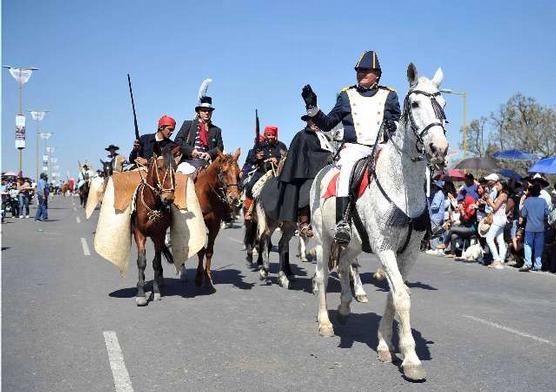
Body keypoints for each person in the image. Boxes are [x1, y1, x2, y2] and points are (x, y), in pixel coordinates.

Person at [301, 50, 401, 244]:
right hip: (355, 148)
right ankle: (342, 223)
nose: (361, 73)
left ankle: (419, 224)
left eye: (366, 70)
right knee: (345, 171)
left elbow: (397, 121)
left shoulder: (390, 95)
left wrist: (393, 125)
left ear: (377, 74)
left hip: (381, 148)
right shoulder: (346, 95)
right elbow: (328, 123)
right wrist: (313, 108)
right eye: (359, 70)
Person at [262, 115, 333, 236]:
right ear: (308, 121)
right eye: (313, 120)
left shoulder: (324, 137)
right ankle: (304, 222)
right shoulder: (302, 136)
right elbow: (298, 157)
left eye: (318, 120)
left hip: (325, 170)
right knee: (307, 189)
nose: (316, 123)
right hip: (305, 173)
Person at [174, 80, 223, 170]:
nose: (207, 113)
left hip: (206, 164)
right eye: (204, 110)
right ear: (199, 112)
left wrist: (209, 154)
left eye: (209, 111)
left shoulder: (216, 130)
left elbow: (220, 147)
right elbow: (178, 141)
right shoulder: (188, 124)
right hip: (188, 162)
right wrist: (191, 150)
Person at [242, 126, 288, 218]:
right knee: (250, 185)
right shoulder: (260, 145)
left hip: (277, 172)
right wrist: (257, 157)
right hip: (262, 171)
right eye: (268, 135)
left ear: (275, 135)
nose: (270, 137)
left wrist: (277, 160)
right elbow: (251, 159)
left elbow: (286, 158)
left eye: (272, 135)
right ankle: (249, 209)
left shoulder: (281, 145)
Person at [519, 183, 550, 272]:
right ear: (539, 192)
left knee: (528, 245)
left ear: (531, 192)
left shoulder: (528, 201)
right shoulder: (543, 201)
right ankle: (537, 265)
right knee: (538, 246)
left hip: (529, 227)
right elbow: (546, 214)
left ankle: (528, 263)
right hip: (540, 227)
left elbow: (523, 214)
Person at [484, 179, 509, 269]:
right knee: (500, 240)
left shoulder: (502, 195)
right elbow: (493, 205)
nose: (496, 186)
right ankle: (501, 260)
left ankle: (496, 259)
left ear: (503, 186)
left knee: (489, 239)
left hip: (498, 219)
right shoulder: (502, 195)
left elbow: (494, 207)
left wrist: (488, 200)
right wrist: (488, 199)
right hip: (501, 219)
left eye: (498, 184)